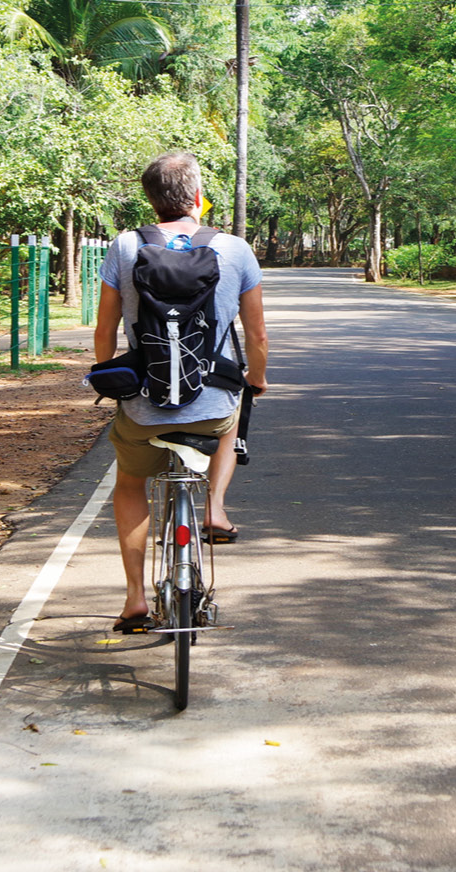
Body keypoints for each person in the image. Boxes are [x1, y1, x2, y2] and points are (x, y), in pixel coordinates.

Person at [95, 152, 267, 633]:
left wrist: (110, 379)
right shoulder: (235, 249)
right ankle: (214, 505)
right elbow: (257, 338)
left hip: (144, 409)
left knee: (130, 484)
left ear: (152, 202)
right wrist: (256, 379)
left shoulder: (125, 247)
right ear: (197, 198)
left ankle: (134, 600)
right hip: (209, 408)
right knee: (234, 416)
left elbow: (105, 328)